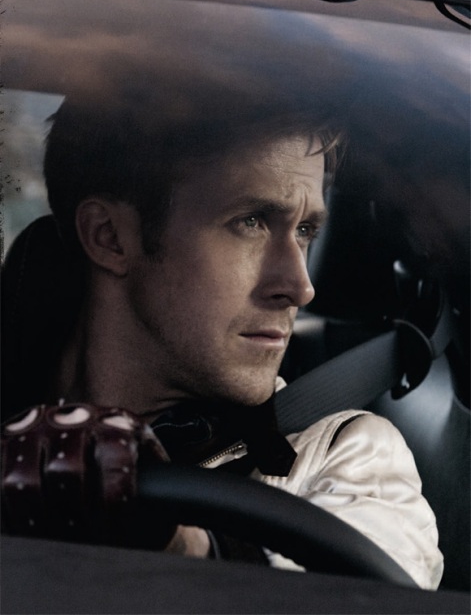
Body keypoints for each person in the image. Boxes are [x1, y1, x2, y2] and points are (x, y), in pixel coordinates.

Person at [1, 96, 443, 589]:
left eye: (304, 231)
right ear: (110, 237)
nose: (300, 287)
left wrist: (178, 545)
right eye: (251, 222)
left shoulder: (345, 456)